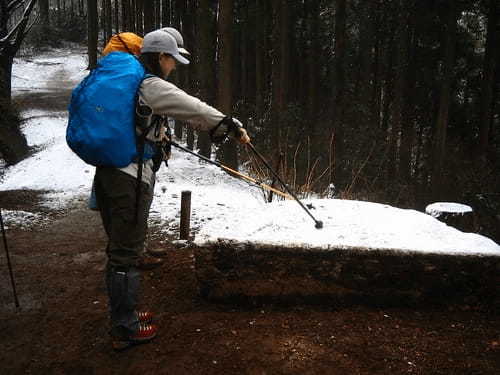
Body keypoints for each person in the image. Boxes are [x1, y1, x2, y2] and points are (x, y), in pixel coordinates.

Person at [94, 29, 250, 351]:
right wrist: (228, 125)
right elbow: (191, 106)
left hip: (108, 173)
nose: (174, 66)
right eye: (172, 59)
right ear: (160, 57)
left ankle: (124, 315)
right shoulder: (149, 84)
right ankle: (124, 326)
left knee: (119, 249)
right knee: (125, 255)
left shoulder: (128, 84)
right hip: (129, 178)